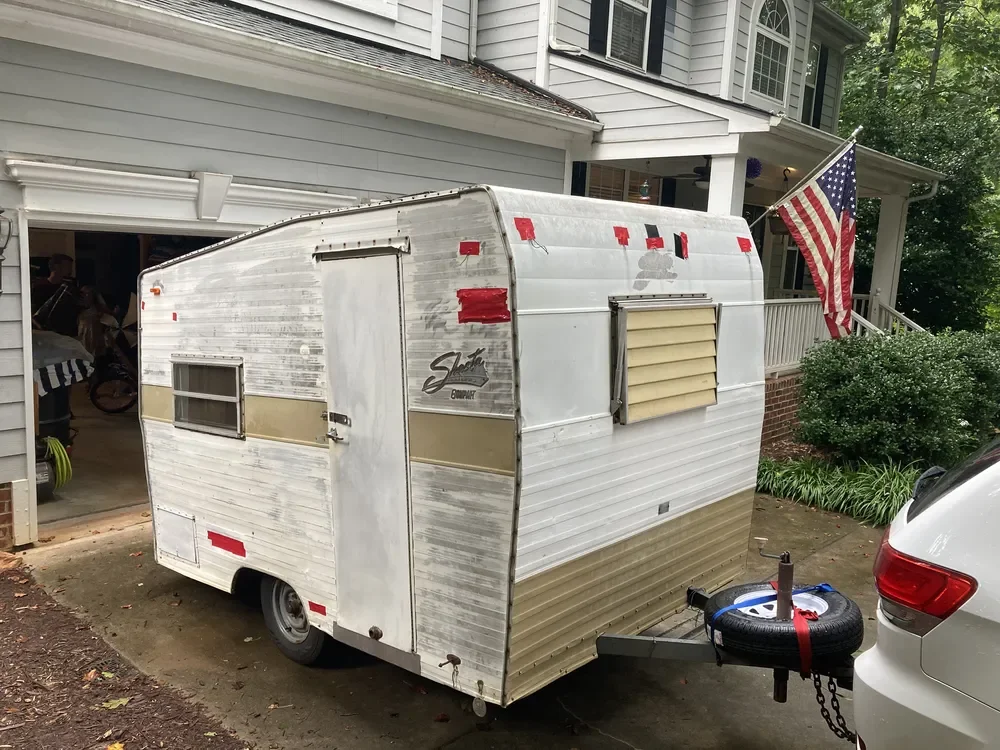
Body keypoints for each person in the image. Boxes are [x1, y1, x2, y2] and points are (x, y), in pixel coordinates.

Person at [32, 254, 82, 337]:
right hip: (48, 332)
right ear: (56, 267)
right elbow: (33, 313)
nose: (70, 270)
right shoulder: (40, 287)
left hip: (69, 332)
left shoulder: (71, 286)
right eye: (67, 266)